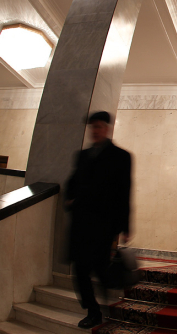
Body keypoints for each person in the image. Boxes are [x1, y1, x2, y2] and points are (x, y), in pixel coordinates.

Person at [65, 111, 132, 329]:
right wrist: (70, 200)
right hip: (80, 224)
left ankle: (108, 304)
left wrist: (125, 226)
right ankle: (93, 311)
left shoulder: (121, 157)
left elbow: (124, 192)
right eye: (92, 127)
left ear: (107, 129)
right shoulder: (82, 155)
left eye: (99, 126)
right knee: (80, 270)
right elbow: (72, 182)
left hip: (104, 225)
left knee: (101, 269)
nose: (95, 131)